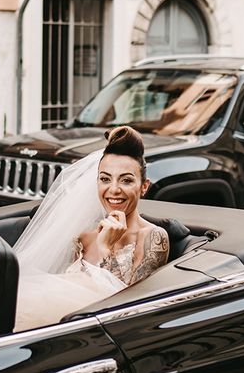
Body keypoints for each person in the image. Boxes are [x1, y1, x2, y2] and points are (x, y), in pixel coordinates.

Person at [13, 126, 170, 331]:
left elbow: (127, 310)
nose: (114, 189)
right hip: (52, 323)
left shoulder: (153, 237)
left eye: (127, 180)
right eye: (105, 179)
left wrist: (106, 248)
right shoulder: (84, 237)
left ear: (144, 186)